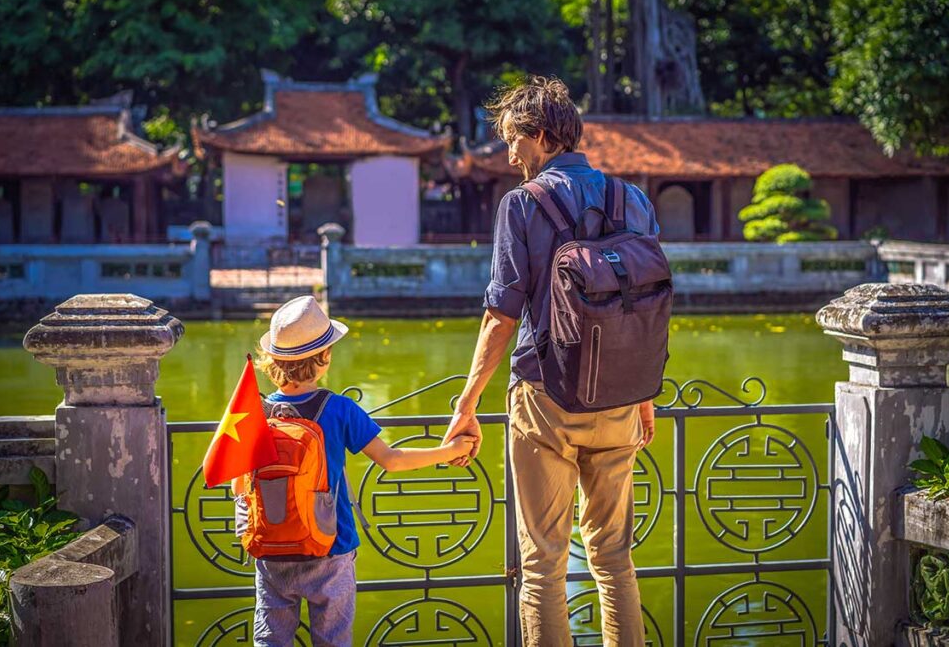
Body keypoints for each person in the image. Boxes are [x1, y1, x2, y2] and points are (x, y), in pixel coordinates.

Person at [442, 76, 659, 646]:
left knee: (542, 564)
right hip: (619, 397)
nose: (509, 154)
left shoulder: (522, 204)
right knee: (614, 557)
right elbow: (644, 303)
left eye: (513, 140)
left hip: (545, 399)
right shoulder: (631, 198)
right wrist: (645, 393)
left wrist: (467, 404)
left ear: (540, 136)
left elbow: (500, 316)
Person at [252, 295, 476, 646]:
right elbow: (392, 460)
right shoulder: (339, 409)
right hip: (331, 545)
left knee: (271, 640)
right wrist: (448, 451)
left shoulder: (255, 411)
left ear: (274, 361)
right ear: (324, 358)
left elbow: (232, 477)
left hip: (271, 548)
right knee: (333, 639)